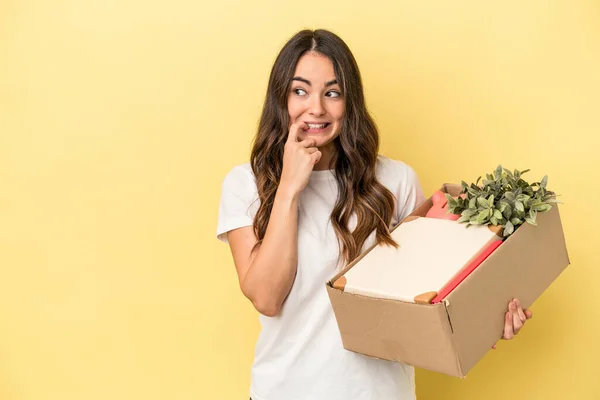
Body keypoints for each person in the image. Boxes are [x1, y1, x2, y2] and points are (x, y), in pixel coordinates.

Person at [216, 29, 532, 400]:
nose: (315, 108)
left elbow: (424, 297)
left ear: (349, 102)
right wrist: (289, 189)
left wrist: (484, 320)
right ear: (280, 98)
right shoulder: (246, 184)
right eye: (300, 91)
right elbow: (266, 298)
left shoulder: (395, 181)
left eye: (332, 93)